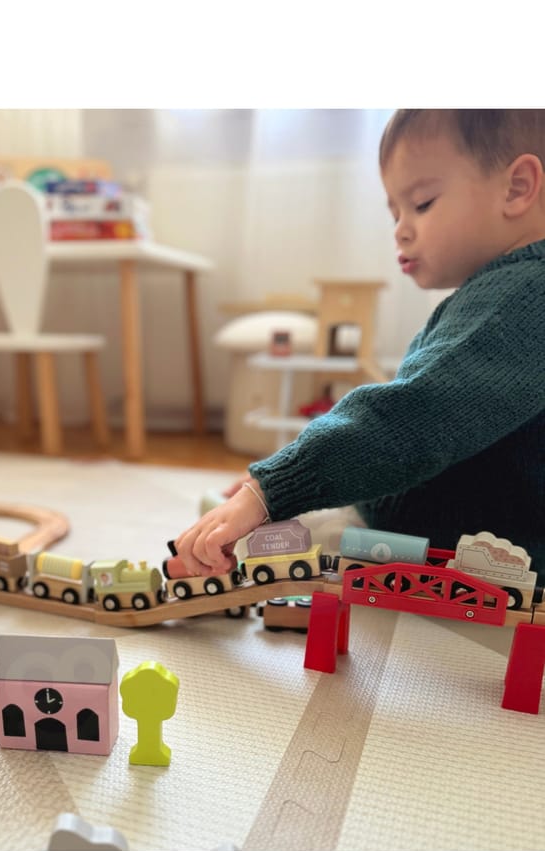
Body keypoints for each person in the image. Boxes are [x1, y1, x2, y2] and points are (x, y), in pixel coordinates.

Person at [174, 109, 545, 583]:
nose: (401, 230)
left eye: (423, 204)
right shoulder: (506, 293)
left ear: (517, 188)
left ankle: (218, 552)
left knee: (266, 545)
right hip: (436, 526)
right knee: (265, 525)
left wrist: (272, 489)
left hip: (470, 553)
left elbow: (410, 416)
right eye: (395, 214)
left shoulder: (520, 297)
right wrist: (277, 481)